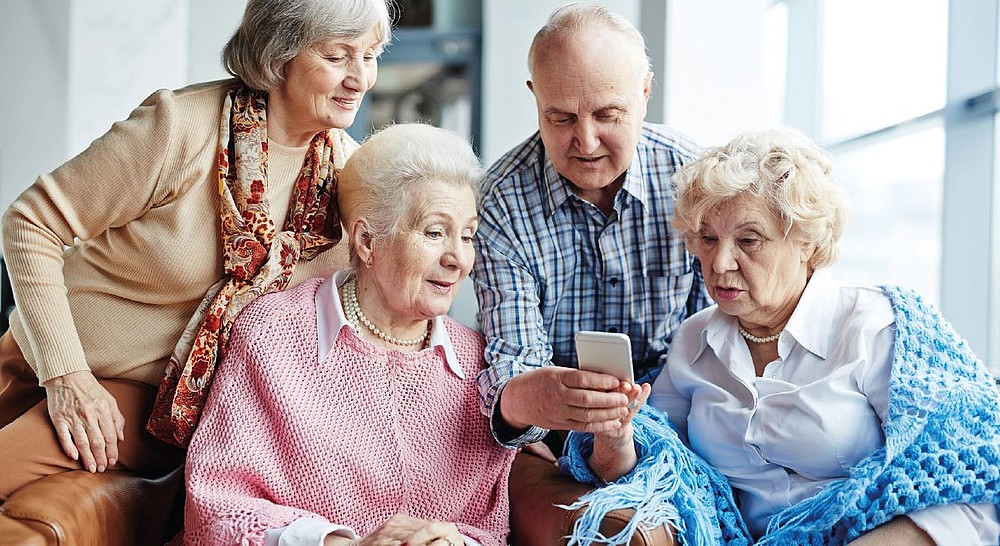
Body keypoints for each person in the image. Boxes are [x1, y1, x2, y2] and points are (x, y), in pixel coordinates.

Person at [0, 0, 393, 503]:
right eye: (339, 56)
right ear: (281, 53)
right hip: (43, 361)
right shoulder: (180, 127)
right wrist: (67, 376)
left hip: (152, 401)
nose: (361, 79)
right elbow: (31, 222)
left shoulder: (351, 180)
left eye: (371, 55)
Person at [563, 127, 1000, 545]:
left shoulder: (880, 326)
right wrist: (615, 437)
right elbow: (651, 467)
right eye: (708, 239)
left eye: (748, 240)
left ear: (807, 241)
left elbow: (962, 477)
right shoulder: (694, 339)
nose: (719, 264)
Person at [178, 123, 515, 546]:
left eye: (467, 236)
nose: (459, 259)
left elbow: (491, 528)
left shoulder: (476, 361)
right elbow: (217, 508)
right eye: (435, 232)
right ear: (367, 240)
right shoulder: (273, 334)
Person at [472, 2, 709, 457]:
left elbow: (718, 342)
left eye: (607, 115)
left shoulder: (694, 180)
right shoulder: (499, 203)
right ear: (534, 97)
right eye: (560, 118)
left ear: (644, 94)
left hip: (689, 422)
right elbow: (513, 373)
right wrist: (531, 400)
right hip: (559, 437)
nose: (586, 141)